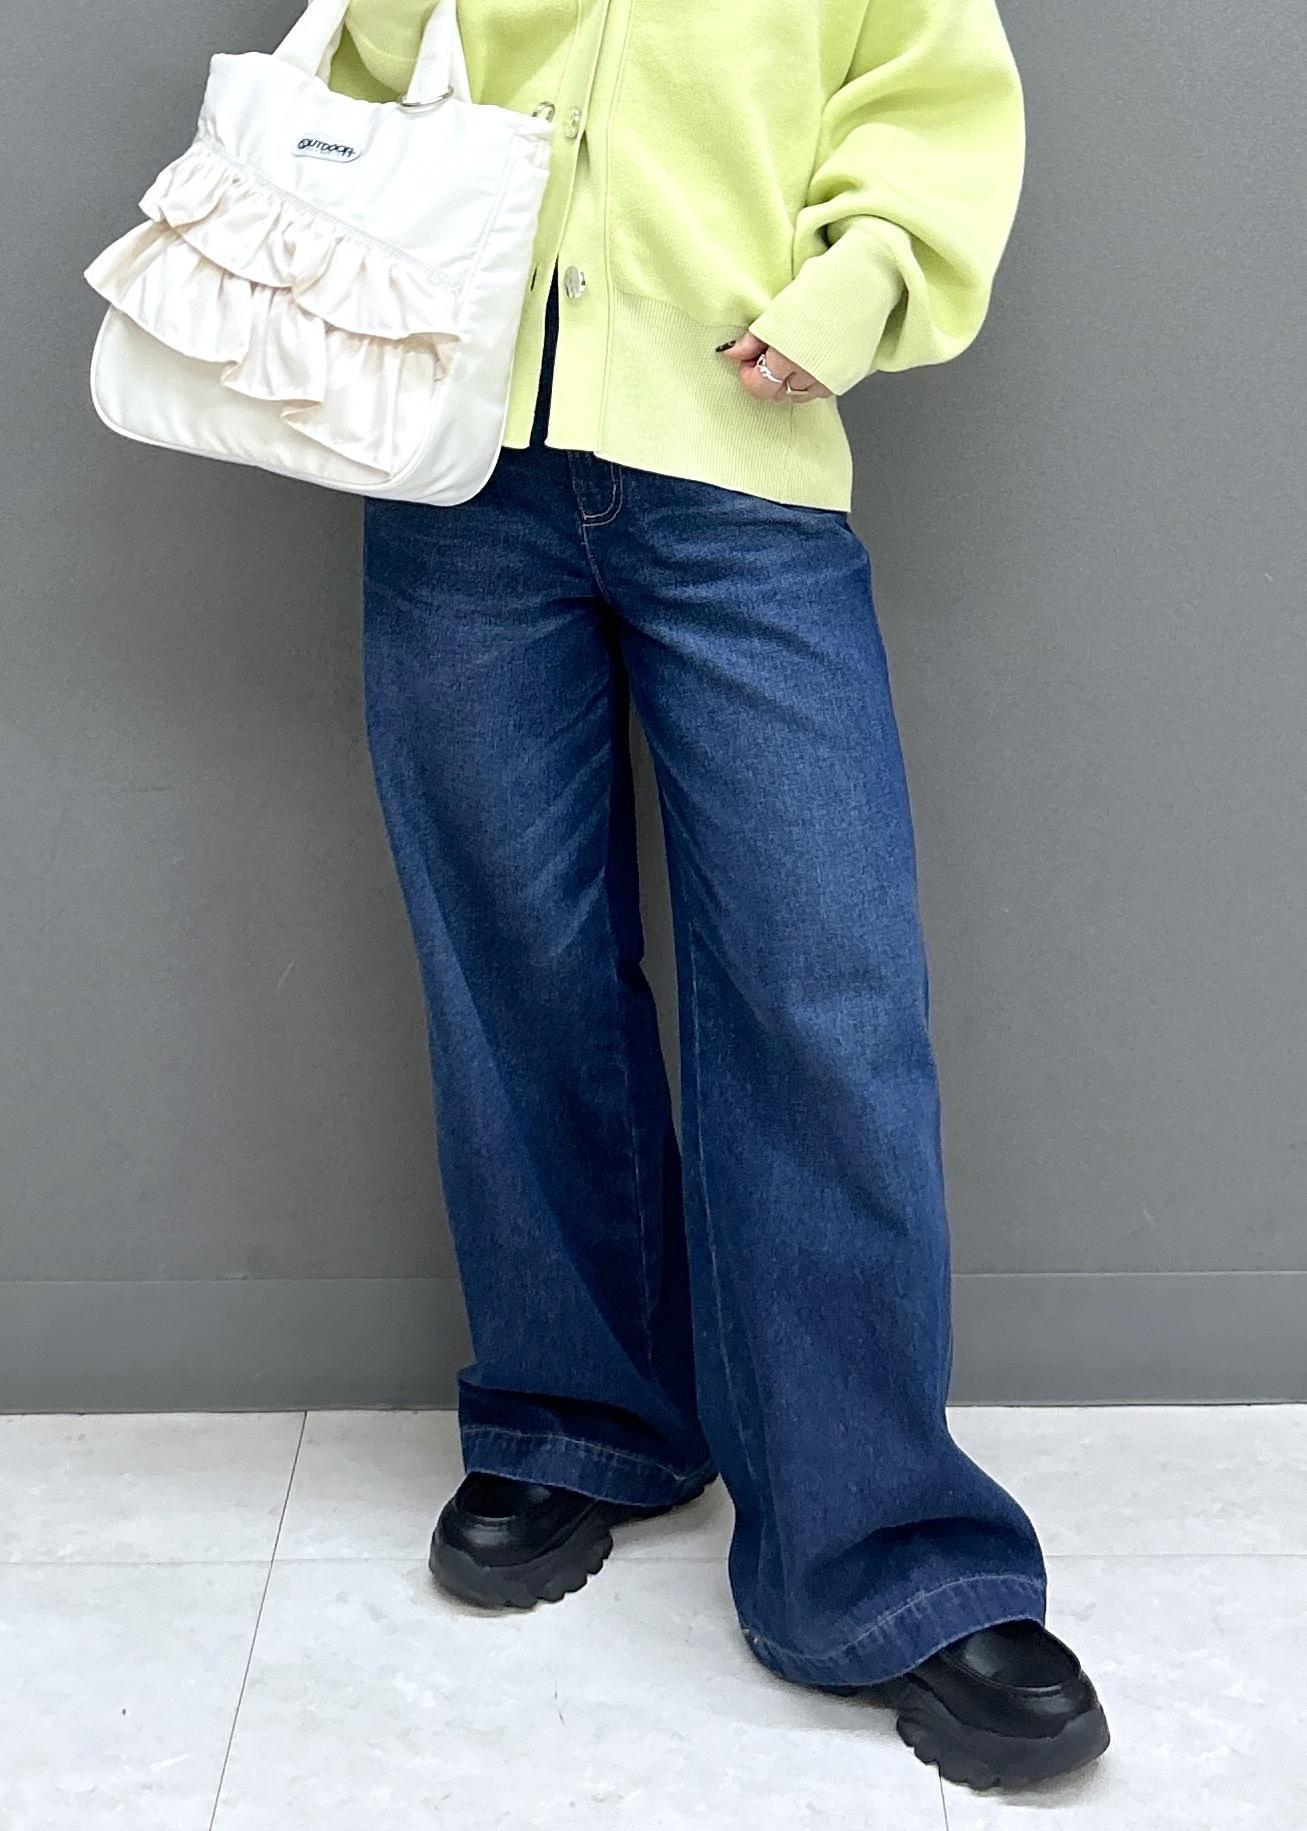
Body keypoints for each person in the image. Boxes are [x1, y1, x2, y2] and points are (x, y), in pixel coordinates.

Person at [332, 0, 1110, 1793]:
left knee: (825, 994)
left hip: (741, 476)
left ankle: (888, 1556)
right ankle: (576, 1419)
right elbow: (377, 73)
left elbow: (928, 101)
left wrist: (852, 290)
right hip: (453, 473)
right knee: (510, 969)